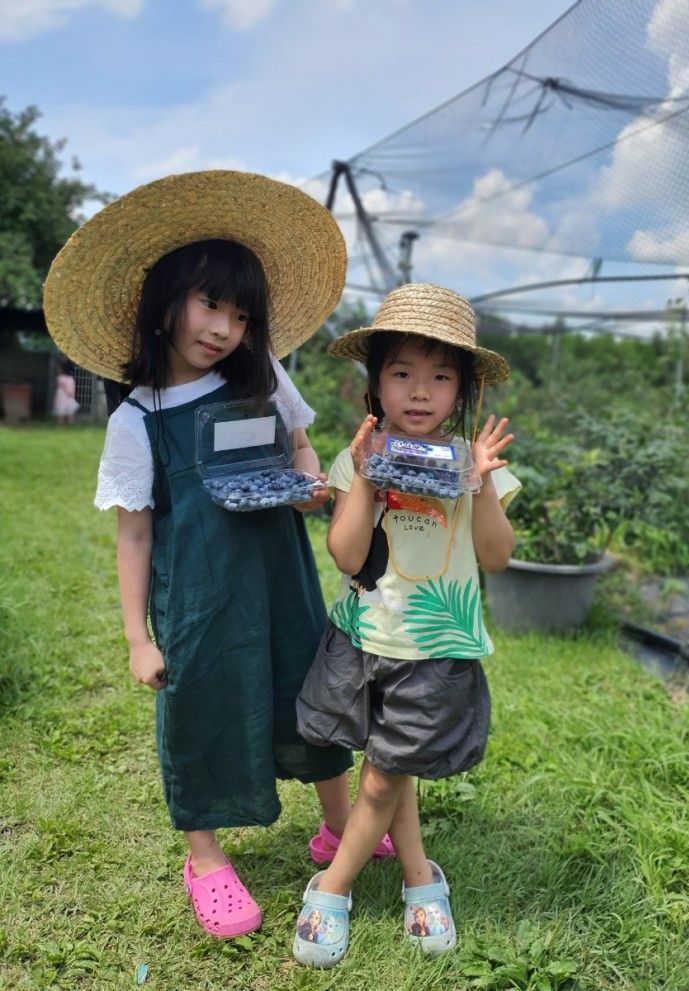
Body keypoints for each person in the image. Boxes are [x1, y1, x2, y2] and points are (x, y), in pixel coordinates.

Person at [42, 169, 372, 941]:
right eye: (210, 304)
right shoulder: (138, 419)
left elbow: (298, 443)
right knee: (204, 705)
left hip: (280, 578)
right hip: (199, 594)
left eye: (241, 314)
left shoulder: (262, 377)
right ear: (166, 303)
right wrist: (136, 636)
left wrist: (305, 482)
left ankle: (338, 821)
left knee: (309, 686)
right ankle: (205, 856)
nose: (224, 327)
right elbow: (133, 532)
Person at [293, 282, 521, 967]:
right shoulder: (355, 460)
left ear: (462, 392)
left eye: (440, 377)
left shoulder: (471, 468)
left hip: (434, 651)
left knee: (384, 775)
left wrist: (479, 485)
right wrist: (363, 476)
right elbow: (346, 553)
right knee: (393, 765)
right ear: (375, 384)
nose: (419, 392)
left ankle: (331, 890)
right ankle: (421, 877)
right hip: (362, 641)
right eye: (401, 374)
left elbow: (495, 557)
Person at [52, 357, 79, 424]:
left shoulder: (60, 378)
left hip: (62, 397)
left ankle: (60, 424)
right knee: (70, 413)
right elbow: (72, 388)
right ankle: (71, 424)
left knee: (61, 413)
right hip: (70, 397)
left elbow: (63, 387)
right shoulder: (71, 378)